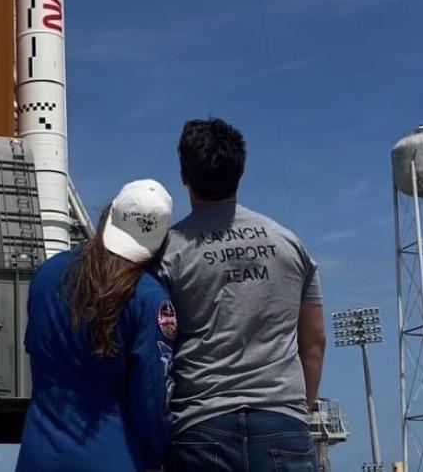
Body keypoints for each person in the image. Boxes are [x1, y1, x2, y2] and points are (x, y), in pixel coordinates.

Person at [159, 118, 326, 472]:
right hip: (283, 425)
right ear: (241, 170)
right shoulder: (289, 245)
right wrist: (299, 410)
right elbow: (314, 342)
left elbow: (156, 348)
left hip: (201, 426)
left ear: (184, 176)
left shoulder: (169, 253)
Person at [17, 179, 178, 472]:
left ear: (109, 216)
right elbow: (152, 396)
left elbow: (36, 353)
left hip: (39, 453)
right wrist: (157, 456)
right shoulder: (149, 298)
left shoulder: (47, 275)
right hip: (114, 453)